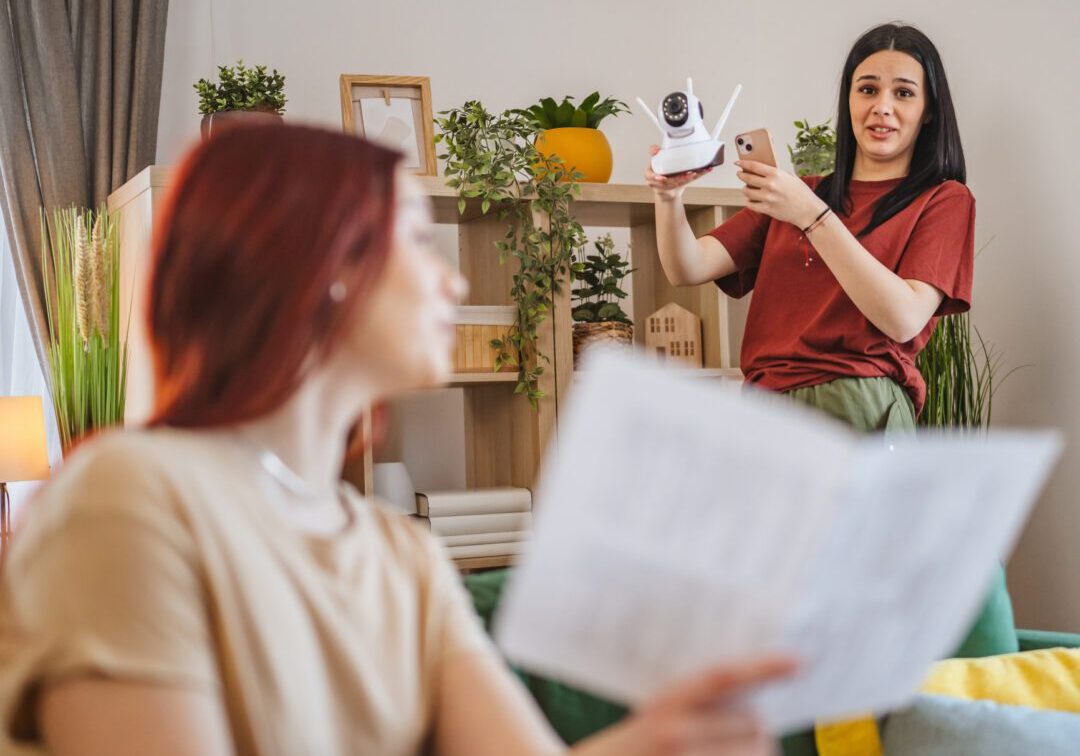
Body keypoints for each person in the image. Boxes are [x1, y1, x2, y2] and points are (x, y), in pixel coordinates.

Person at [0, 123, 794, 755]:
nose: (454, 281)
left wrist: (662, 740)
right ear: (320, 267)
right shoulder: (130, 500)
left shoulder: (399, 555)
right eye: (417, 240)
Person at [646, 22, 1016, 660]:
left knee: (855, 616)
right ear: (847, 101)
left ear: (928, 113)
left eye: (904, 93)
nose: (882, 107)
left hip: (859, 413)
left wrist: (812, 218)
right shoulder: (804, 193)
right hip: (766, 419)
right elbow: (687, 266)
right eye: (867, 88)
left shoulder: (942, 201)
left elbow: (902, 316)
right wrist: (669, 197)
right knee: (761, 621)